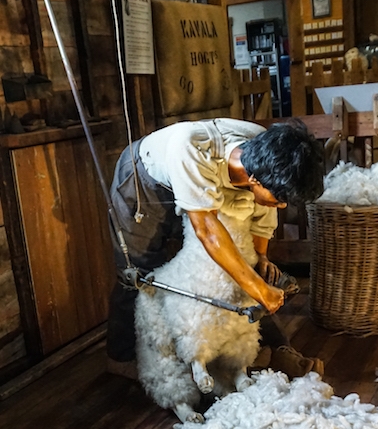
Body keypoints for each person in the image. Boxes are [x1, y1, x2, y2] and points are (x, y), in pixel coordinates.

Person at [106, 117, 325, 380]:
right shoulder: (192, 148)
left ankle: (274, 349)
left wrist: (261, 259)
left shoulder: (264, 152)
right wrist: (258, 288)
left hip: (205, 190)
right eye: (279, 200)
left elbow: (261, 218)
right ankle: (123, 359)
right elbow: (208, 232)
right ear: (254, 179)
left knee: (245, 270)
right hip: (147, 185)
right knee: (138, 275)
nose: (281, 207)